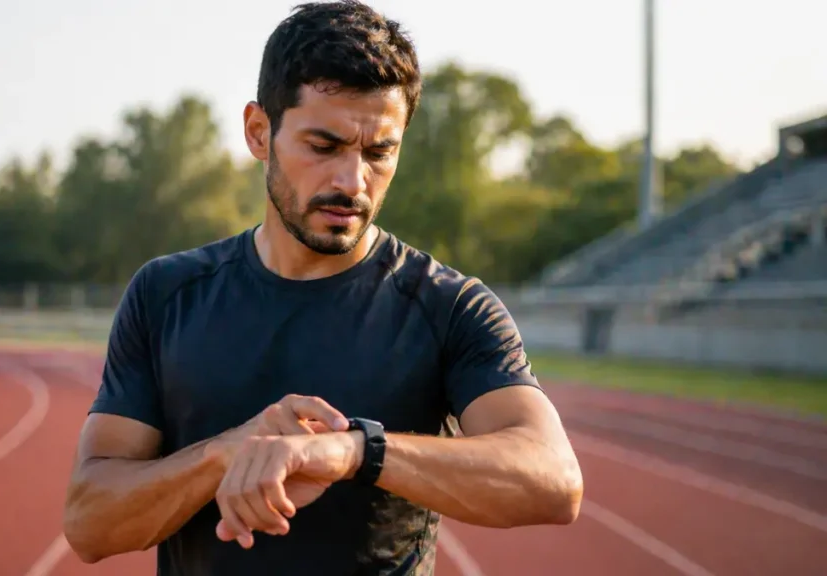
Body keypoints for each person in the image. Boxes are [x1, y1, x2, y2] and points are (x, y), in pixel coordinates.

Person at [62, 1, 583, 574]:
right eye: (323, 146)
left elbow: (554, 480)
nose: (351, 181)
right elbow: (90, 523)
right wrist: (225, 454)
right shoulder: (166, 294)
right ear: (259, 132)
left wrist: (354, 450)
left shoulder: (450, 306)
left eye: (380, 152)